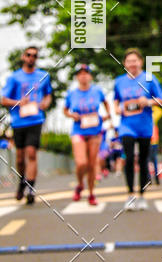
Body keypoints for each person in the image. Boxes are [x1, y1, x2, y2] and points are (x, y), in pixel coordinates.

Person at [113, 48, 162, 210]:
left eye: (135, 61)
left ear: (141, 62)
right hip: (127, 126)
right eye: (129, 61)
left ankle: (142, 195)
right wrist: (116, 108)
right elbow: (116, 100)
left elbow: (161, 99)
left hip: (145, 126)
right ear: (124, 63)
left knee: (143, 160)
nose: (132, 64)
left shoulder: (149, 78)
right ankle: (130, 195)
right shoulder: (119, 81)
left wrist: (148, 102)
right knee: (128, 158)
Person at [1, 46, 52, 204]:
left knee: (31, 153)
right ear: (23, 57)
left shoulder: (43, 76)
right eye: (29, 54)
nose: (31, 57)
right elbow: (3, 99)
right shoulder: (14, 77)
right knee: (20, 158)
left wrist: (45, 103)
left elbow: (48, 95)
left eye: (34, 55)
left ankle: (31, 187)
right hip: (18, 122)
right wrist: (18, 102)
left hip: (35, 120)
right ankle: (22, 182)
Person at [63, 64, 112, 206]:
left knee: (91, 165)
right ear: (77, 77)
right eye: (80, 73)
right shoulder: (72, 94)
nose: (83, 76)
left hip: (95, 131)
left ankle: (91, 193)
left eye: (86, 73)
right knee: (81, 163)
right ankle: (80, 184)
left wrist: (107, 115)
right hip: (78, 130)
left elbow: (106, 103)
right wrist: (72, 115)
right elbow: (65, 110)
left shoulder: (97, 91)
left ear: (90, 76)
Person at [149, 103, 162, 185]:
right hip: (154, 141)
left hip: (151, 141)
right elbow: (159, 111)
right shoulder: (154, 116)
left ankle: (148, 179)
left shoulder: (146, 118)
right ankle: (156, 179)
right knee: (154, 160)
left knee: (147, 160)